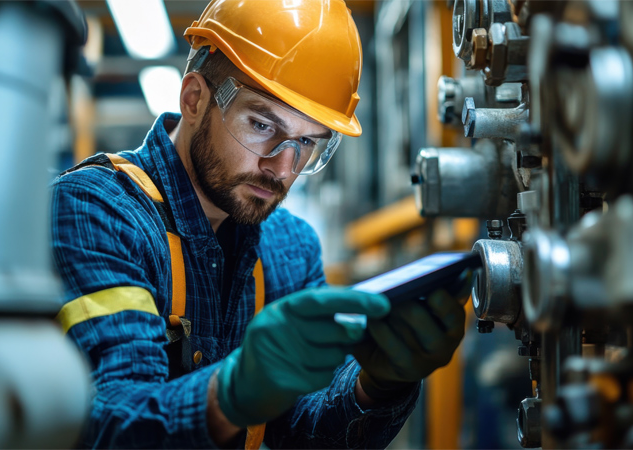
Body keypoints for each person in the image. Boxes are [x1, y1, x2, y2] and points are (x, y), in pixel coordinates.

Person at [51, 0, 469, 447]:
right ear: (194, 99)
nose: (282, 168)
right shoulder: (97, 212)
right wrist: (231, 393)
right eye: (262, 124)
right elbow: (107, 424)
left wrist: (377, 386)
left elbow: (309, 432)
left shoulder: (290, 246)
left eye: (306, 141)